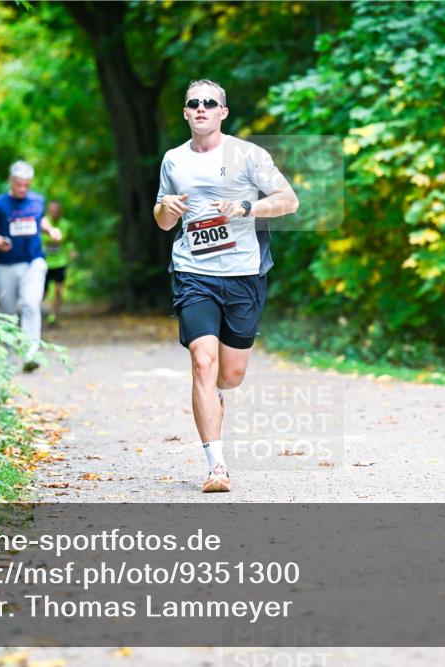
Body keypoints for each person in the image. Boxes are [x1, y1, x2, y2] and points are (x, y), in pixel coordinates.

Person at [153, 79, 299, 493]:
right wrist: (165, 207)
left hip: (243, 274)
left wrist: (247, 206)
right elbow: (163, 220)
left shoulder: (248, 155)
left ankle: (215, 395)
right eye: (193, 103)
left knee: (229, 376)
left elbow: (289, 200)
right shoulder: (173, 160)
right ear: (185, 113)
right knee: (203, 362)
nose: (201, 108)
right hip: (193, 273)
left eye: (209, 103)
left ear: (222, 112)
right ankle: (217, 466)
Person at [0, 161, 61, 372]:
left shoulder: (37, 200)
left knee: (30, 304)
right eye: (19, 184)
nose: (22, 189)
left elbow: (40, 220)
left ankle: (30, 355)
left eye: (26, 185)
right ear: (11, 181)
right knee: (8, 313)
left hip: (33, 262)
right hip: (6, 265)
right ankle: (7, 360)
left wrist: (50, 230)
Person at [41, 200, 75, 327]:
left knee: (58, 290)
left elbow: (70, 241)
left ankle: (53, 315)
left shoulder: (66, 224)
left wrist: (71, 250)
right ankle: (34, 315)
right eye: (51, 210)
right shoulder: (43, 223)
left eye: (56, 210)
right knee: (42, 293)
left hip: (60, 262)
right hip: (45, 262)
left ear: (60, 211)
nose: (54, 213)